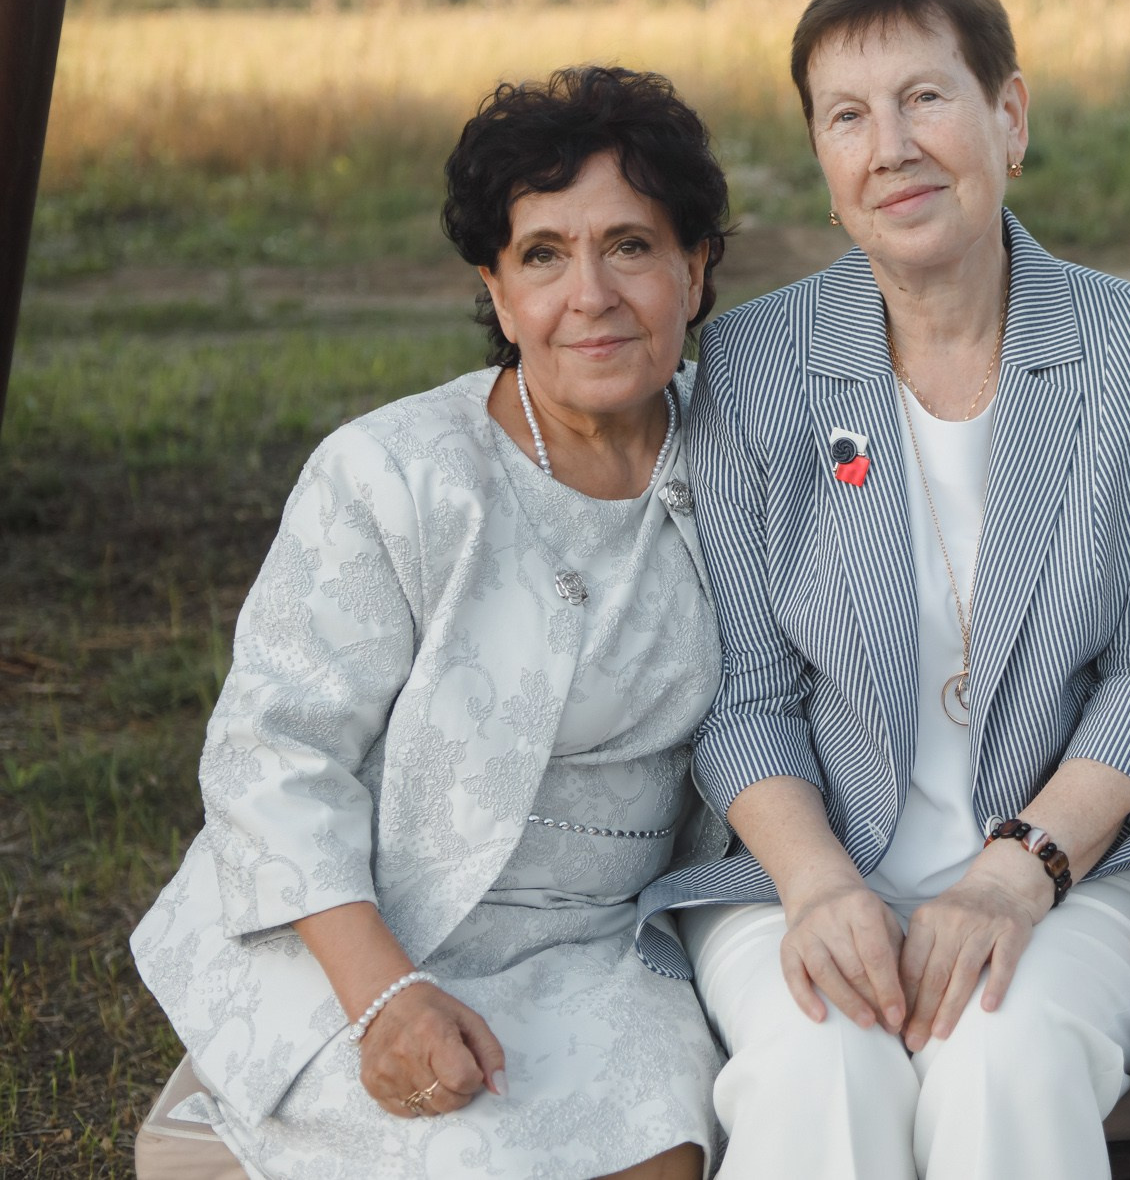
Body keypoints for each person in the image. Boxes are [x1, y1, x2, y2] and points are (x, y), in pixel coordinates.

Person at [635, 0, 1130, 1180]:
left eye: (924, 99)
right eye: (846, 116)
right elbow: (743, 698)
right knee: (819, 1069)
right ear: (823, 163)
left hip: (1068, 865)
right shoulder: (751, 368)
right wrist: (819, 887)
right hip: (801, 860)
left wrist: (1015, 875)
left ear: (1008, 117)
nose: (889, 146)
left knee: (1003, 1059)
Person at [130, 65, 732, 1180]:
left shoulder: (742, 455)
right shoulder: (391, 473)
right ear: (498, 296)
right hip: (363, 925)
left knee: (655, 1151)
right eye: (542, 254)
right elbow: (272, 754)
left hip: (608, 943)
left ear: (693, 272)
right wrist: (387, 993)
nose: (589, 292)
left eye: (631, 245)